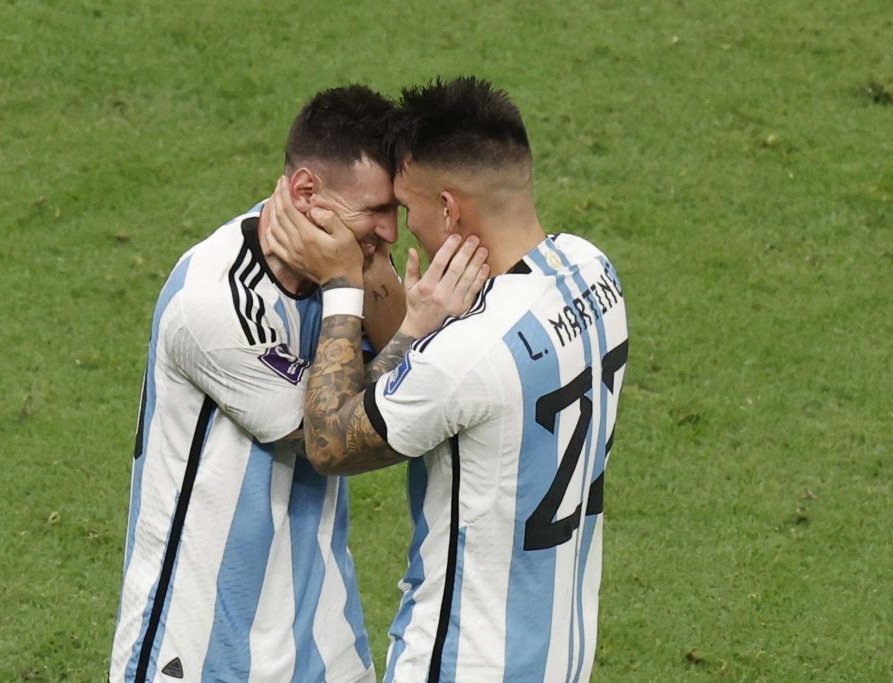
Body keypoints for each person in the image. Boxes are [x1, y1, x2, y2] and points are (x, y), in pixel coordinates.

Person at [265, 77, 629, 682]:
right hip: (560, 656)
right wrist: (413, 312)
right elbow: (464, 360)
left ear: (449, 209)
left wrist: (342, 288)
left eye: (407, 209)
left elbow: (329, 441)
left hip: (464, 661)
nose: (401, 228)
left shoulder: (466, 356)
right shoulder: (593, 271)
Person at [109, 85, 409, 683]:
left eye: (395, 210)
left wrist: (367, 277)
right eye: (375, 210)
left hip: (323, 634)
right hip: (203, 651)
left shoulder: (344, 258)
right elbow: (341, 439)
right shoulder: (216, 304)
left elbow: (412, 368)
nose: (392, 232)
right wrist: (358, 290)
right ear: (305, 193)